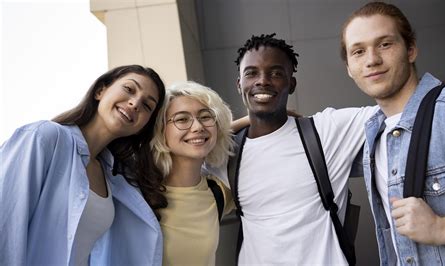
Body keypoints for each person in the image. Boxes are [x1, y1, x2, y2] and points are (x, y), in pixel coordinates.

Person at [341, 2, 445, 265]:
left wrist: (442, 228)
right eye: (358, 51)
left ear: (411, 49)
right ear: (349, 68)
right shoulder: (372, 136)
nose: (372, 60)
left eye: (385, 44)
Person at [228, 33, 378, 265]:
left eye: (276, 73)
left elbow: (402, 107)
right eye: (251, 73)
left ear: (292, 83)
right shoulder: (227, 152)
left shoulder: (325, 130)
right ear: (240, 84)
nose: (263, 81)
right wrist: (239, 123)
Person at [0, 65, 167, 266]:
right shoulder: (45, 137)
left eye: (147, 106)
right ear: (100, 91)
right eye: (129, 89)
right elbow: (5, 221)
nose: (135, 103)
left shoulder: (114, 178)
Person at [151, 81, 235, 266]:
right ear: (160, 130)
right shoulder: (138, 193)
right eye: (182, 119)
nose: (197, 127)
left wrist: (257, 120)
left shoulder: (219, 192)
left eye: (206, 117)